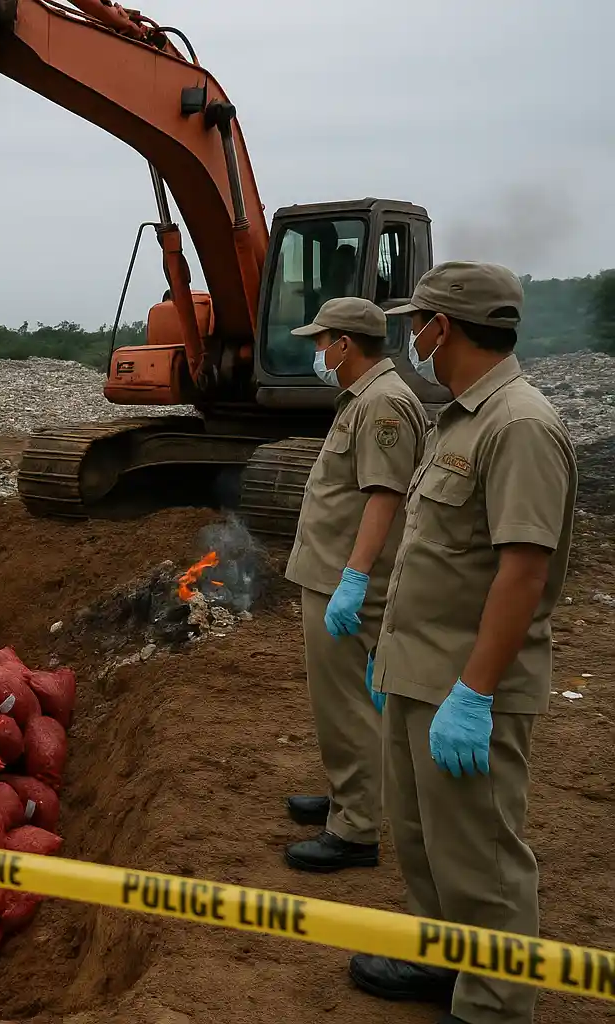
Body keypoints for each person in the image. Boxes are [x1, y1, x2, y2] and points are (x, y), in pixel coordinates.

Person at [349, 262, 577, 1024]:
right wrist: (393, 657)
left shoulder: (520, 424)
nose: (411, 337)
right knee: (422, 840)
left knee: (480, 856)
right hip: (420, 672)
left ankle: (495, 1003)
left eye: (417, 322)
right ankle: (441, 959)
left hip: (465, 685)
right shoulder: (462, 417)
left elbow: (523, 571)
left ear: (442, 328)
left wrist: (475, 693)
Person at [281, 297, 426, 872]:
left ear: (345, 343)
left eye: (322, 341)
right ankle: (348, 795)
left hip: (346, 580)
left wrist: (354, 576)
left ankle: (357, 828)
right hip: (330, 572)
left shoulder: (384, 402)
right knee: (341, 700)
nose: (318, 351)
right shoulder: (364, 399)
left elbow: (385, 495)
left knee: (347, 703)